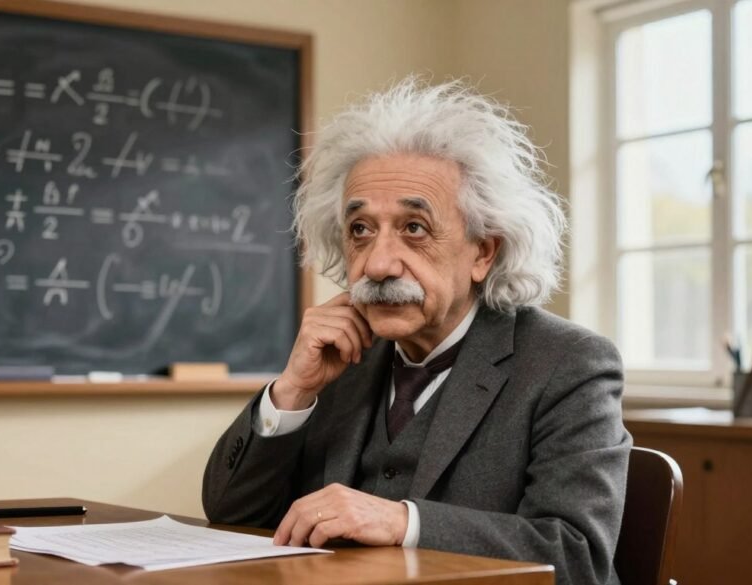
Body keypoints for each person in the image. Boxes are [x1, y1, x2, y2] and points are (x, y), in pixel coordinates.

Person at [201, 78, 631, 585]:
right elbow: (231, 513)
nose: (378, 264)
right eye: (361, 230)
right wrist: (293, 391)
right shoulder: (339, 357)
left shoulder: (571, 363)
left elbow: (577, 556)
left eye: (414, 228)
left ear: (483, 252)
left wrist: (403, 522)